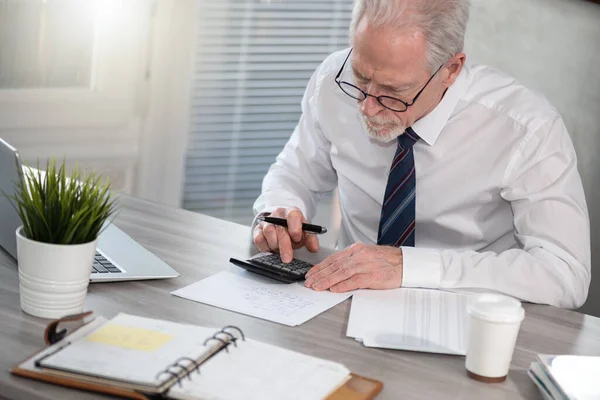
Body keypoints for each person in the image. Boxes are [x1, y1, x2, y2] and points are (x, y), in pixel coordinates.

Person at [252, 0, 591, 308]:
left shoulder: (525, 128)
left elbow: (564, 274)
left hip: (468, 313)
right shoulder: (333, 80)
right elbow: (295, 174)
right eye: (360, 77)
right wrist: (280, 208)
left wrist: (407, 267)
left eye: (393, 92)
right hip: (343, 300)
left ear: (451, 70)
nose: (368, 106)